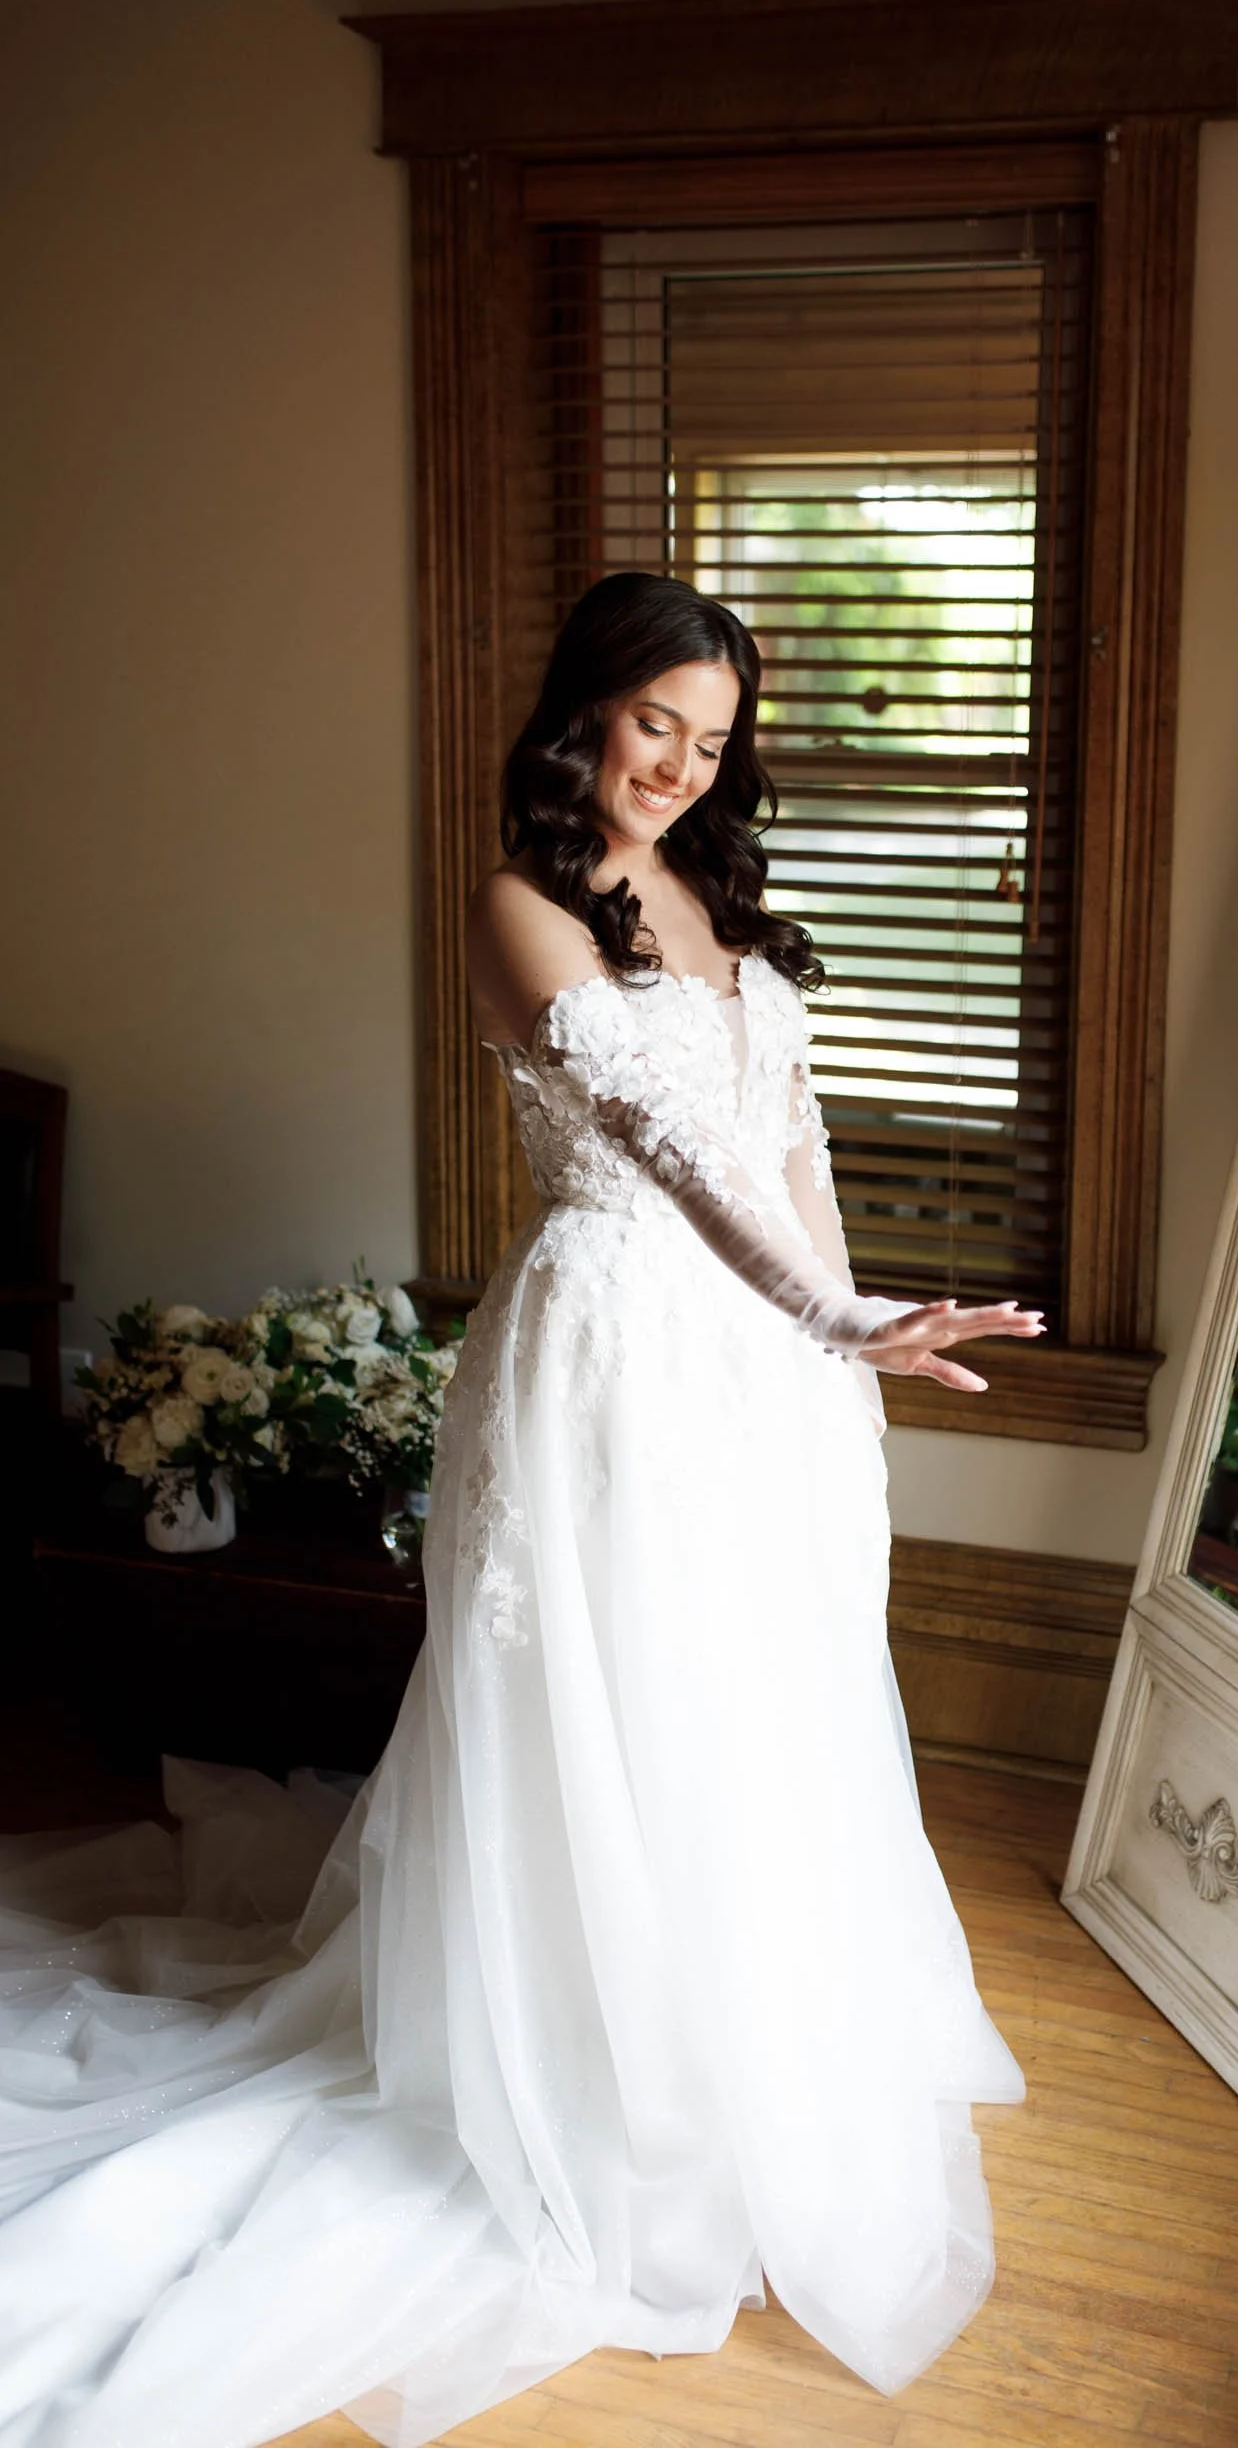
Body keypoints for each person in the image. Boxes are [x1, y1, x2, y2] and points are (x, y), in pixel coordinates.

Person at [0, 573, 1040, 2448]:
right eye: (656, 722)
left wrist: (854, 1333)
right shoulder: (519, 904)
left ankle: (742, 2058)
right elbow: (670, 1149)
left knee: (745, 1715)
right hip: (617, 1351)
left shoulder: (719, 901)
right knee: (612, 1710)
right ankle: (599, 2084)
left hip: (763, 1371)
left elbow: (790, 1152)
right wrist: (828, 1313)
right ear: (584, 708)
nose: (680, 764)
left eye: (714, 741)